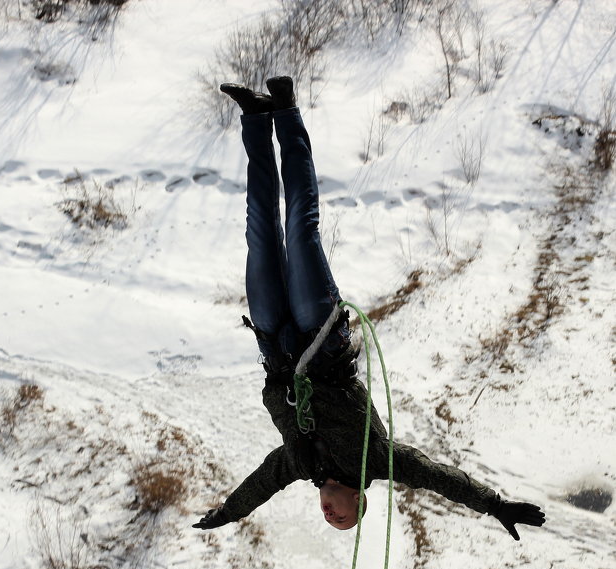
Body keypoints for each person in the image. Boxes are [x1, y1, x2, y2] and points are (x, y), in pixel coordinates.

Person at [193, 76, 545, 540]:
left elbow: (259, 486)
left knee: (260, 232)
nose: (330, 515)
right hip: (320, 336)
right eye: (344, 518)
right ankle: (286, 112)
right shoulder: (375, 459)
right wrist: (494, 504)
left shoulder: (299, 465)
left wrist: (228, 512)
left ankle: (256, 119)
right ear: (359, 500)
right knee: (300, 229)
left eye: (329, 519)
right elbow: (436, 475)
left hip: (276, 345)